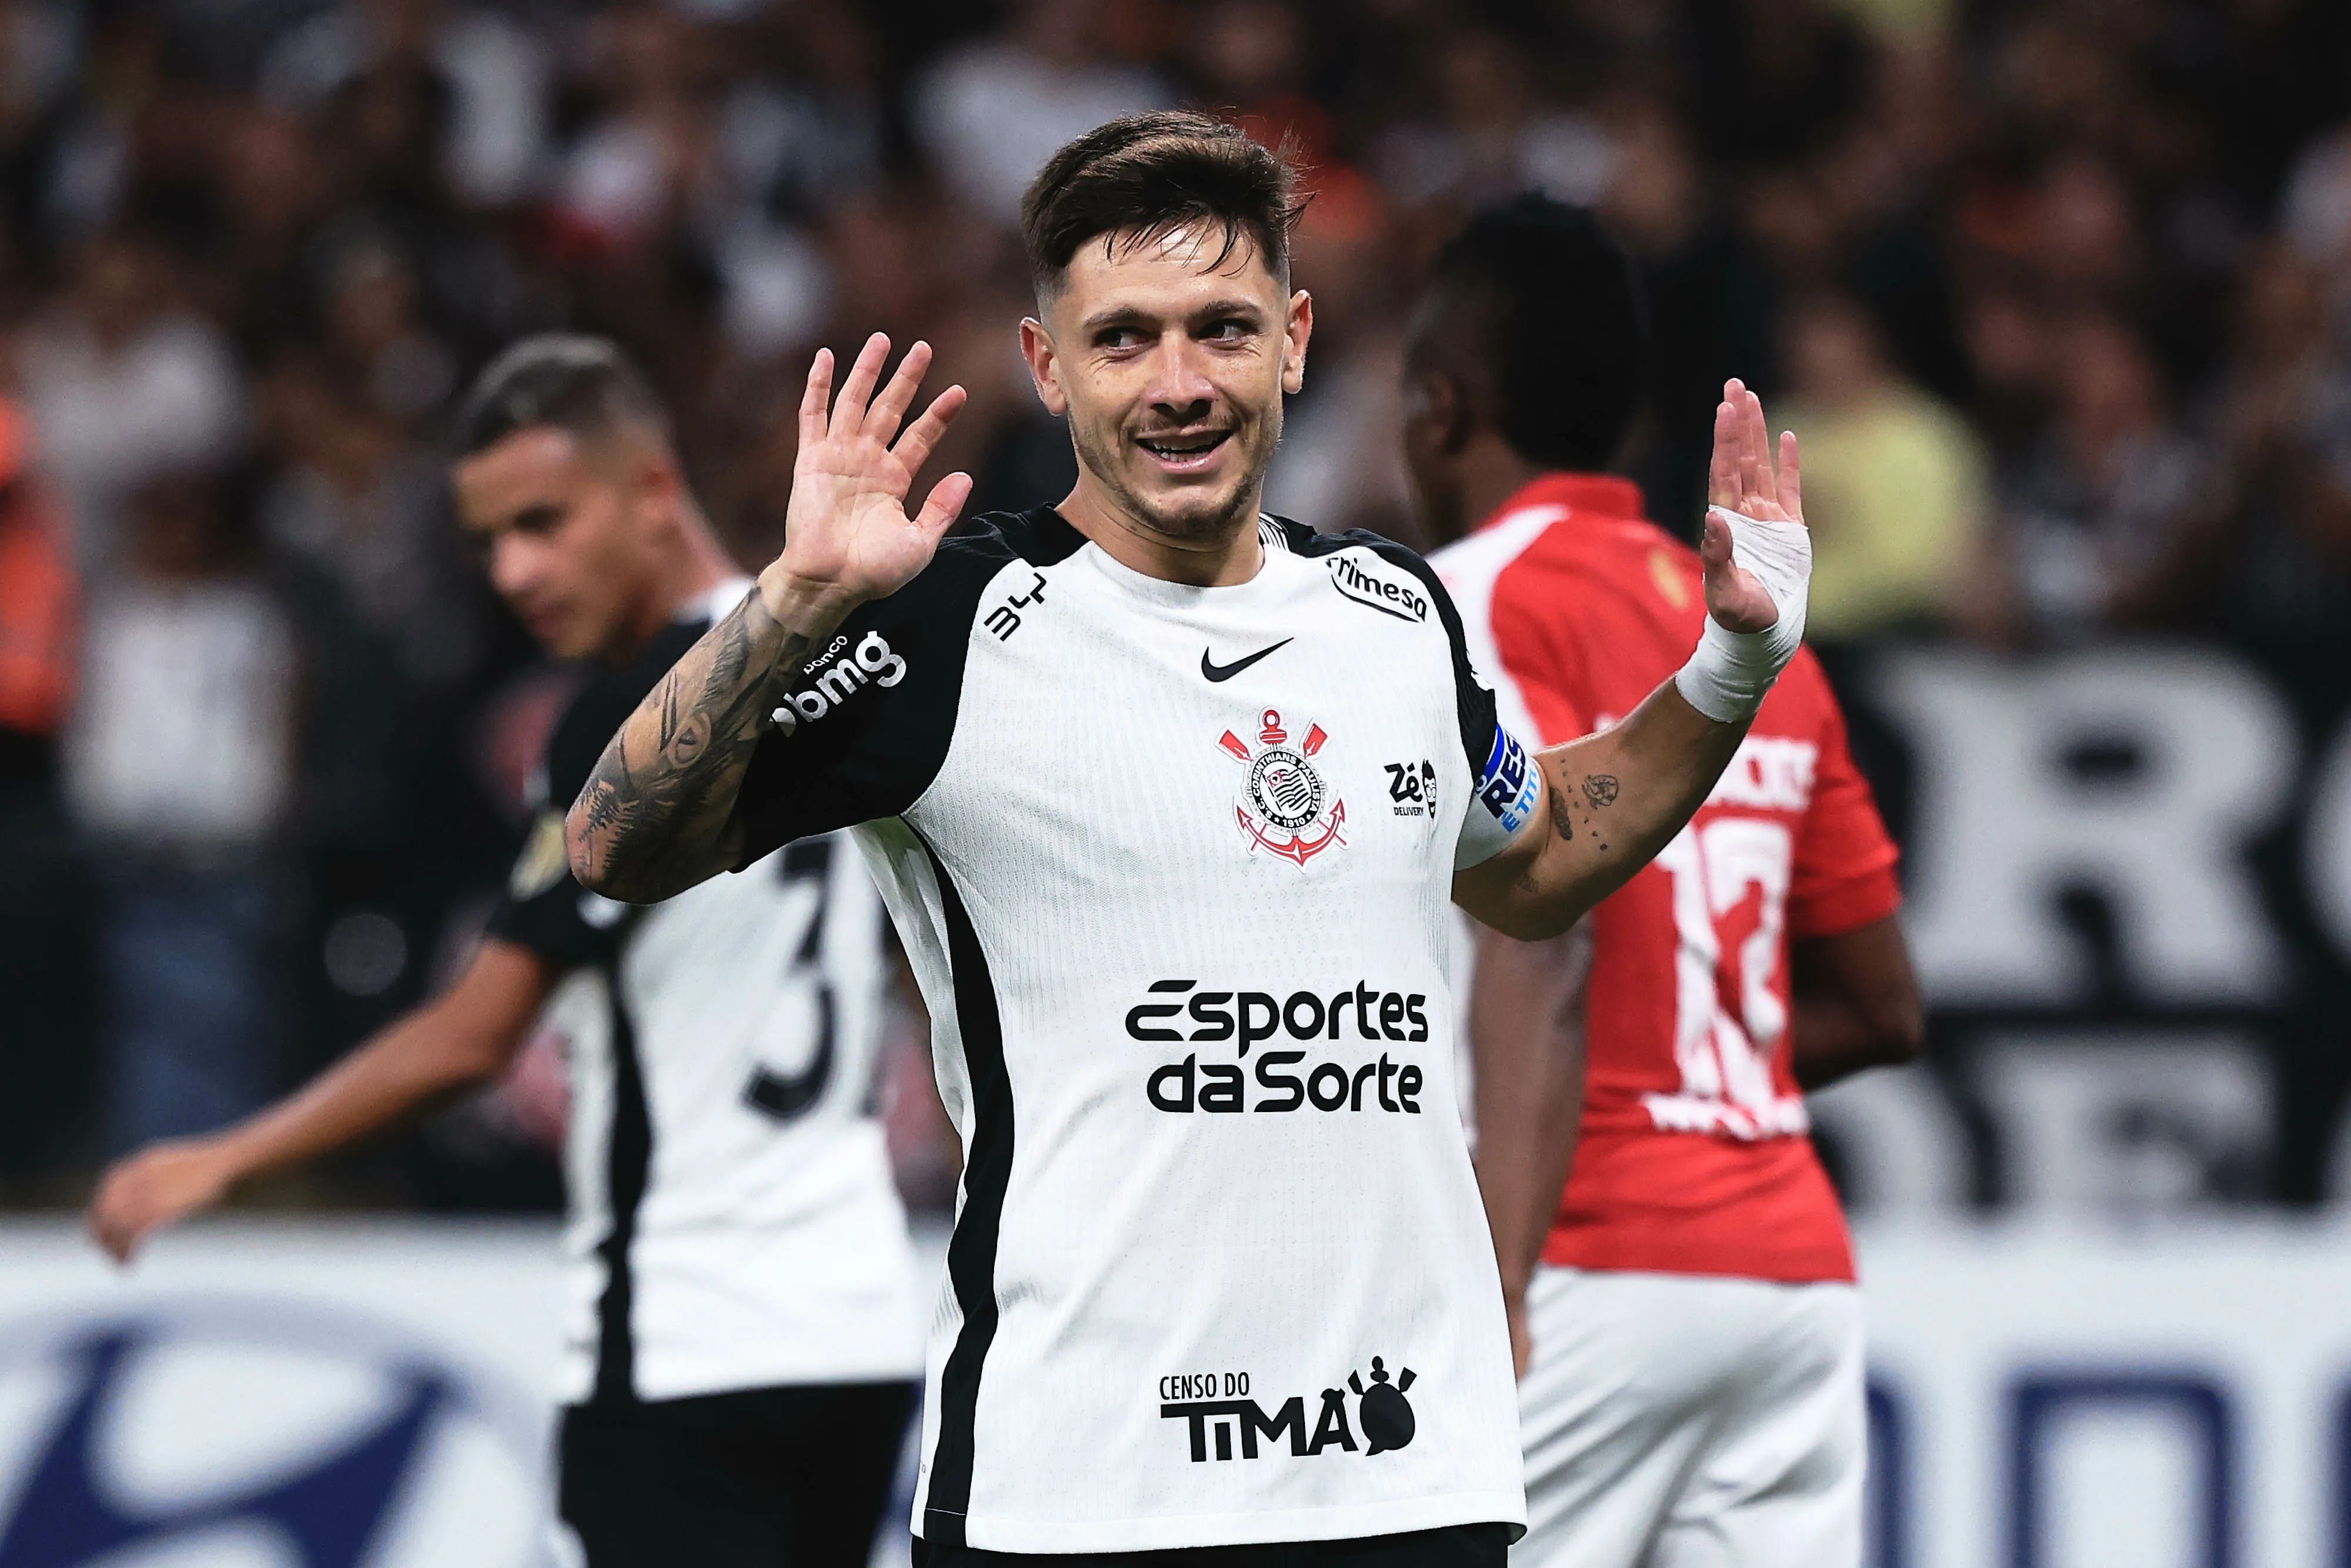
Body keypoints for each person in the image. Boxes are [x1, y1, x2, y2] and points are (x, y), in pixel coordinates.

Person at [561, 112, 1813, 1566]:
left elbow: (1535, 860)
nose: (1177, 385)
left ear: (1293, 340)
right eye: (1122, 339)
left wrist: (1732, 665)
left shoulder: (1396, 613)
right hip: (1083, 1492)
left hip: (1407, 1475)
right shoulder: (949, 623)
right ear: (1046, 365)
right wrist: (790, 603)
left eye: (1220, 328)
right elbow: (614, 843)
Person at [87, 336, 926, 1568]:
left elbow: (476, 1035)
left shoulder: (635, 721)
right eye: (489, 540)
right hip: (862, 1331)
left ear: (651, 489)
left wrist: (222, 1157)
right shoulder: (848, 661)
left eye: (543, 521)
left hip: (686, 1336)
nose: (514, 571)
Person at [1409, 196, 1924, 1568]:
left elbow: (1538, 941)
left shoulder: (1456, 601)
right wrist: (1708, 1090)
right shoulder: (1757, 631)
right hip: (1787, 1277)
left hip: (1577, 1255)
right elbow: (1885, 1007)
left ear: (1434, 409)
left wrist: (1502, 1283)